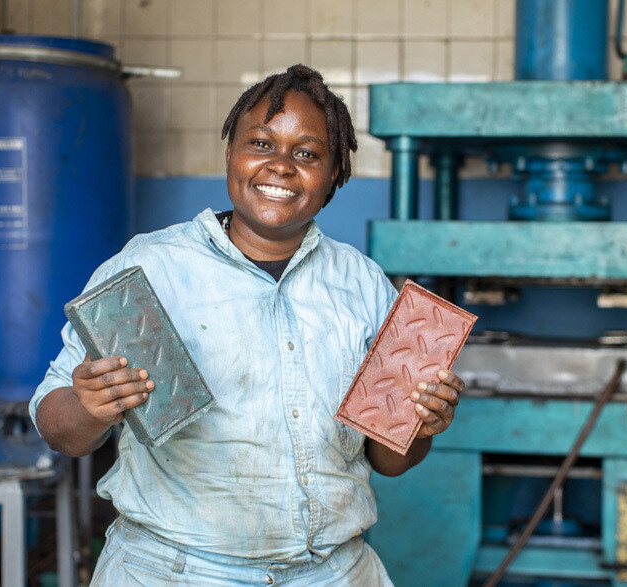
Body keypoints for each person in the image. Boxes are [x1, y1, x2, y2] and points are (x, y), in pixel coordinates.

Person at [31, 64, 466, 585]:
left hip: (332, 572)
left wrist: (420, 423)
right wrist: (87, 406)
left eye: (307, 154)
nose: (281, 166)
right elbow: (60, 431)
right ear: (231, 155)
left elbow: (389, 461)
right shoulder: (151, 267)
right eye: (261, 144)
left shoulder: (362, 283)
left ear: (333, 176)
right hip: (172, 571)